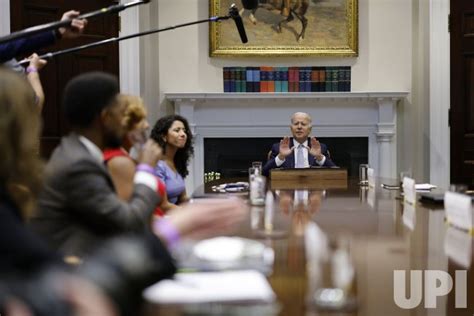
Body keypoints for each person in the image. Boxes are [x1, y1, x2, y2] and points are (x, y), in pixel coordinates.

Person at [30, 72, 247, 257]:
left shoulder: (77, 152)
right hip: (74, 271)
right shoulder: (79, 164)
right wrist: (145, 170)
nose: (129, 123)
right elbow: (128, 225)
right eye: (120, 114)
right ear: (105, 118)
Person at [103, 94, 171, 215]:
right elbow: (130, 217)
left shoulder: (128, 158)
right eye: (141, 120)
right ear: (125, 126)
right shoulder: (119, 162)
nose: (147, 125)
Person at [262, 112, 336, 176]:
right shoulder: (278, 147)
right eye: (296, 124)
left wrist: (319, 157)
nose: (299, 127)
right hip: (287, 188)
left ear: (309, 129)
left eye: (303, 124)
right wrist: (281, 157)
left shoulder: (320, 148)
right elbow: (264, 173)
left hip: (313, 189)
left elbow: (336, 173)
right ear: (291, 128)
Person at [150, 115, 194, 207]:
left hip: (175, 213)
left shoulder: (177, 161)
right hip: (163, 217)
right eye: (177, 130)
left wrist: (201, 203)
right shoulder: (158, 165)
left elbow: (182, 198)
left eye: (184, 130)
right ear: (164, 136)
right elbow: (163, 206)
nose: (183, 134)